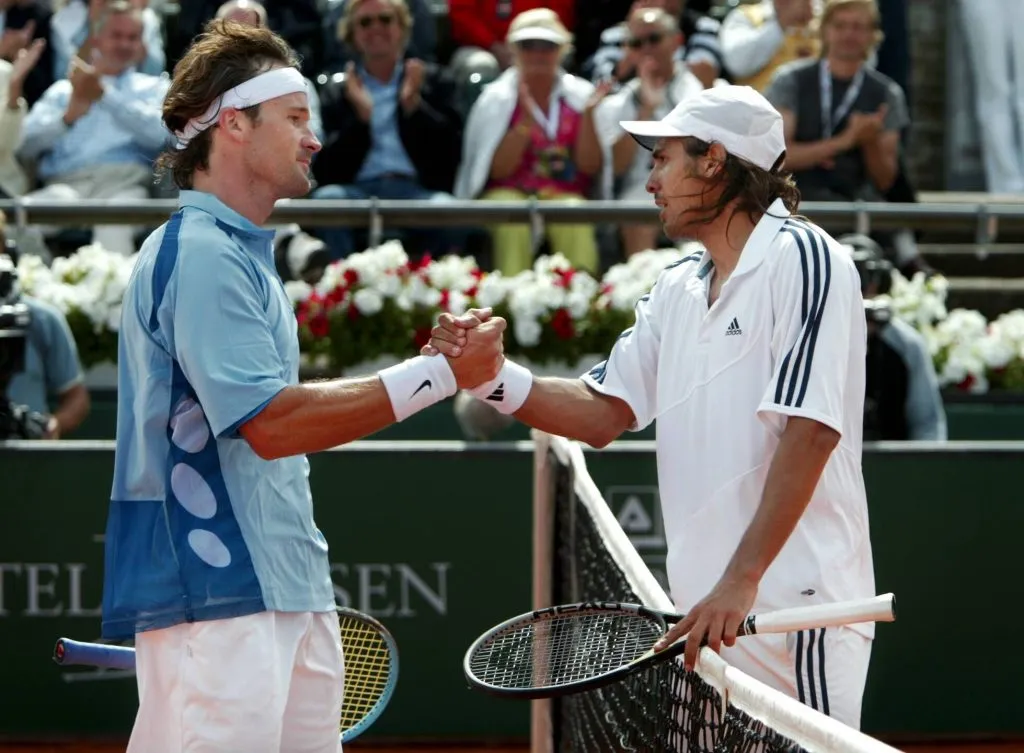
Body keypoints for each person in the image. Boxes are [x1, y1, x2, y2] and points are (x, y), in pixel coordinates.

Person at [103, 20, 504, 753]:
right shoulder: (201, 255)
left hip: (285, 586)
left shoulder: (240, 254)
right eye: (294, 118)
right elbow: (273, 423)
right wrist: (439, 375)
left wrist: (432, 369)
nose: (313, 139)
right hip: (218, 595)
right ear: (233, 124)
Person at [427, 85, 877, 728]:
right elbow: (601, 412)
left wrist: (741, 580)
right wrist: (493, 378)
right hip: (703, 620)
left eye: (663, 159)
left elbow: (811, 430)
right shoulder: (676, 287)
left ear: (714, 160)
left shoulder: (805, 259)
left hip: (795, 614)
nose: (650, 182)